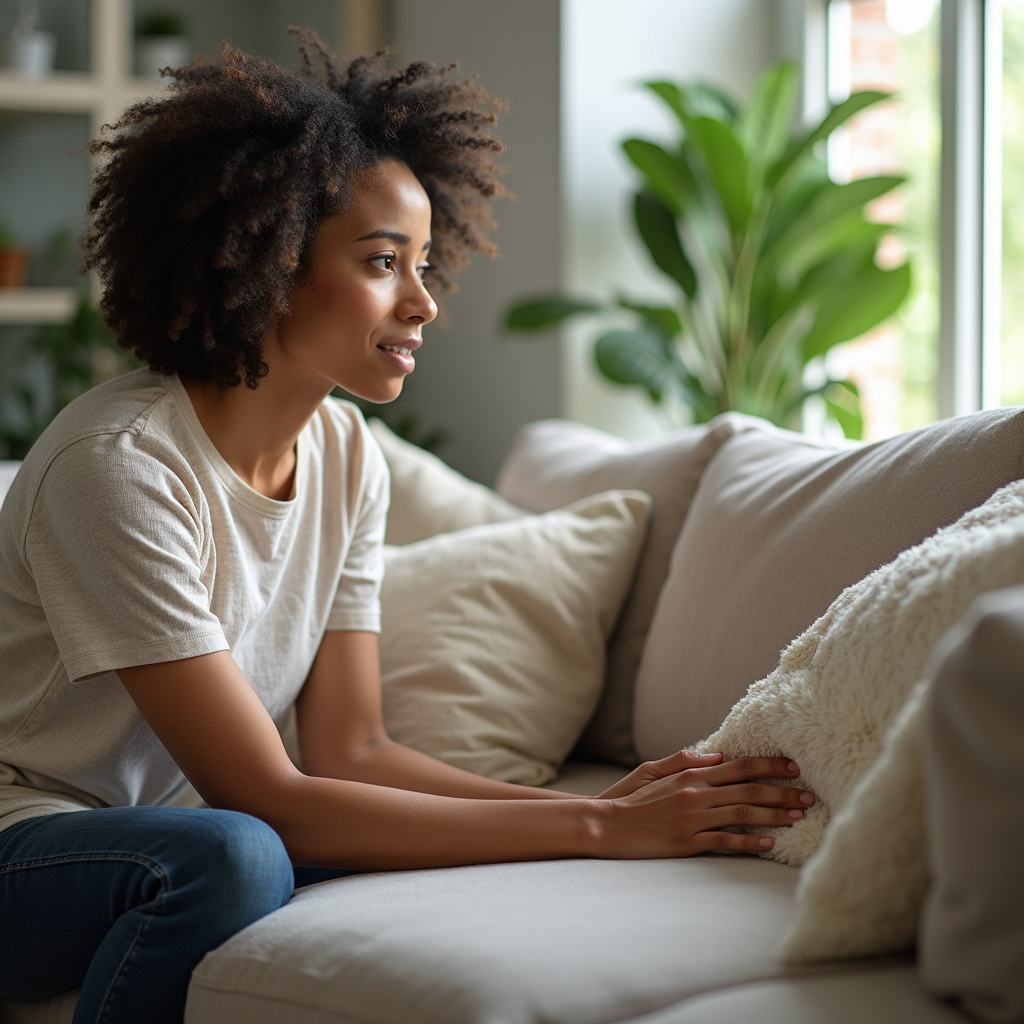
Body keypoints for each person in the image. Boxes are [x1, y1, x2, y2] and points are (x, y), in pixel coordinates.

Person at [0, 33, 815, 1024]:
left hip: (154, 838)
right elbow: (265, 790)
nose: (424, 302)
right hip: (27, 842)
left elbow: (354, 750)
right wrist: (599, 827)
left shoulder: (347, 456)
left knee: (246, 848)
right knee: (238, 855)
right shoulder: (119, 466)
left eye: (424, 263)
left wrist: (609, 807)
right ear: (270, 259)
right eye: (384, 262)